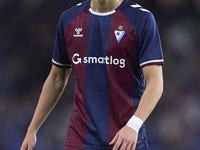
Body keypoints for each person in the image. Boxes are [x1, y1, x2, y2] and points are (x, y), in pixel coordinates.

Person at [20, 0, 164, 149]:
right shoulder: (69, 19)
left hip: (126, 139)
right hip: (80, 140)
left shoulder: (141, 19)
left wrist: (133, 125)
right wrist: (32, 129)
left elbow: (155, 82)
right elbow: (57, 78)